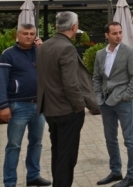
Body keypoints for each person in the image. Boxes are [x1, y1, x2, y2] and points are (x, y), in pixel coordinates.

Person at [36, 12, 99, 187]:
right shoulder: (66, 47)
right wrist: (79, 107)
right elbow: (71, 84)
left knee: (58, 153)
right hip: (66, 110)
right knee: (67, 157)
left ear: (57, 26)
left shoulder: (45, 46)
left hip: (49, 109)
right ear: (74, 27)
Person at [0, 24, 50, 187]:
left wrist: (42, 50)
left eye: (32, 34)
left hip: (39, 106)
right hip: (18, 106)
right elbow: (0, 81)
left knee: (37, 143)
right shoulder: (8, 55)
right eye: (25, 33)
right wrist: (3, 105)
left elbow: (50, 72)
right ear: (17, 36)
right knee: (14, 145)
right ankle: (10, 181)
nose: (29, 36)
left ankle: (33, 175)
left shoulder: (39, 52)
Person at [93, 22, 133, 187]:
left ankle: (132, 175)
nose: (118, 36)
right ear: (106, 35)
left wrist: (127, 96)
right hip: (105, 102)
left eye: (120, 32)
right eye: (114, 33)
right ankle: (115, 171)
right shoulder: (100, 54)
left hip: (123, 102)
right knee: (110, 138)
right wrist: (98, 96)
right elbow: (96, 77)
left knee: (129, 139)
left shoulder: (129, 52)